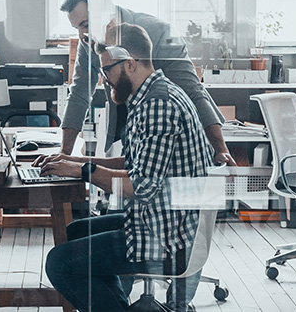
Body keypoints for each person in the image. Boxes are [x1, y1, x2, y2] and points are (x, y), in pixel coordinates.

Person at [37, 23, 217, 311]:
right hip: (163, 222)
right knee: (74, 233)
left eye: (107, 70)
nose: (103, 79)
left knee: (59, 263)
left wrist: (84, 172)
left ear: (130, 64)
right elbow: (137, 161)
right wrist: (77, 161)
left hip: (168, 239)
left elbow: (142, 187)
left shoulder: (159, 105)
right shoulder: (151, 94)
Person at [58, 0, 235, 166]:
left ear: (105, 14)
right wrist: (64, 154)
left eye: (85, 25)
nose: (81, 36)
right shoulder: (88, 41)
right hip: (130, 127)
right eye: (76, 28)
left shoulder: (159, 32)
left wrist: (221, 149)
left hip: (169, 128)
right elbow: (79, 94)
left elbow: (193, 91)